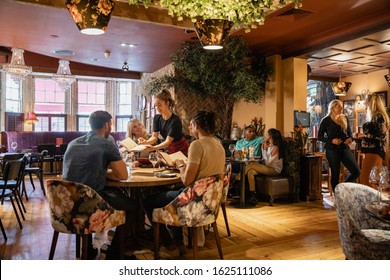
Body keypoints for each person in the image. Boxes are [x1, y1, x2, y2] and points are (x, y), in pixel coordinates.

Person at [143, 110, 225, 255]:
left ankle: (169, 245)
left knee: (148, 201)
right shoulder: (218, 144)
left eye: (191, 125)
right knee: (174, 196)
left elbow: (187, 181)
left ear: (197, 125)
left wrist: (180, 165)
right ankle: (178, 242)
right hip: (209, 204)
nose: (189, 128)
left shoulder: (197, 145)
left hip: (193, 203)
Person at [62, 110, 138, 260]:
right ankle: (115, 253)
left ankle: (89, 249)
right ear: (106, 124)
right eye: (111, 123)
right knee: (134, 206)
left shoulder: (73, 143)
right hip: (91, 203)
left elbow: (83, 170)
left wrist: (101, 172)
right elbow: (123, 175)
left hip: (68, 206)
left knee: (94, 192)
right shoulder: (106, 144)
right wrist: (108, 172)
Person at [318, 100, 360, 193]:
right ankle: (337, 196)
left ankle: (342, 188)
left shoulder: (344, 118)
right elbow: (319, 137)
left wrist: (350, 138)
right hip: (332, 150)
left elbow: (349, 133)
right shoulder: (326, 120)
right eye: (339, 107)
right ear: (333, 108)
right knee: (335, 174)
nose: (342, 108)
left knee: (356, 171)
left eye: (341, 107)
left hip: (344, 148)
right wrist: (331, 141)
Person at [138, 89, 189, 155]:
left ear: (167, 103)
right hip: (170, 148)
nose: (157, 108)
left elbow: (168, 141)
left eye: (159, 105)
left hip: (182, 149)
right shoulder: (157, 118)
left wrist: (154, 148)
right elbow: (154, 137)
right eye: (156, 105)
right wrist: (146, 142)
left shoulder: (175, 120)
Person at [244, 128, 285, 205]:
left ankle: (236, 180)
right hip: (267, 168)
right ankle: (253, 196)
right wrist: (264, 148)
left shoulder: (276, 148)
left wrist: (264, 149)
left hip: (274, 170)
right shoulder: (270, 146)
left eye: (268, 135)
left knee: (251, 165)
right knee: (250, 171)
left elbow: (267, 163)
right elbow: (265, 160)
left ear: (271, 137)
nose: (266, 137)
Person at [360, 93, 389, 187]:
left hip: (375, 150)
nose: (365, 104)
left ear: (371, 103)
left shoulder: (378, 116)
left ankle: (372, 200)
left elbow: (381, 134)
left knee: (365, 179)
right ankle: (374, 200)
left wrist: (366, 135)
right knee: (371, 180)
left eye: (366, 102)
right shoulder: (374, 116)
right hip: (372, 150)